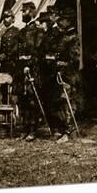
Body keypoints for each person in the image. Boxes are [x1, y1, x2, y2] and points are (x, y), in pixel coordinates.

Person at [52, 8, 82, 143]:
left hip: (70, 74)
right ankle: (67, 130)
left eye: (62, 20)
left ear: (68, 21)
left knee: (68, 102)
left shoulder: (73, 37)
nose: (60, 22)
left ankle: (69, 132)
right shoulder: (63, 35)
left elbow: (75, 58)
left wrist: (63, 63)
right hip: (62, 73)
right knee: (63, 103)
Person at [14, 1, 42, 142]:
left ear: (31, 12)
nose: (23, 14)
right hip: (21, 70)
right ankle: (24, 129)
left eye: (25, 11)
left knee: (32, 101)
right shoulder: (22, 31)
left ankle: (33, 130)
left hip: (32, 70)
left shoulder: (38, 31)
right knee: (23, 100)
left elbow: (38, 52)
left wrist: (29, 65)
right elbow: (19, 51)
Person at [36, 8, 60, 137]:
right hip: (44, 71)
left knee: (52, 101)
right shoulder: (45, 35)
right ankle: (51, 127)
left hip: (51, 71)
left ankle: (56, 128)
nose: (41, 25)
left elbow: (55, 52)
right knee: (46, 100)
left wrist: (48, 57)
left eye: (43, 22)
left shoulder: (55, 33)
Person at [0, 9, 19, 104]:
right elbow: (1, 50)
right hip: (4, 66)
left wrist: (7, 55)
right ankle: (6, 115)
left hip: (13, 65)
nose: (5, 20)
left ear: (13, 19)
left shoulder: (17, 32)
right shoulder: (4, 33)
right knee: (4, 90)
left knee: (13, 90)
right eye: (4, 18)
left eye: (7, 17)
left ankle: (13, 114)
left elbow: (17, 49)